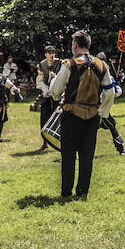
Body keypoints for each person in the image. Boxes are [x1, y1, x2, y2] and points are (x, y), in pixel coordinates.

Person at [49, 30, 108, 199]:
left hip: (71, 114)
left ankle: (66, 193)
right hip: (93, 116)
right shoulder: (102, 65)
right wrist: (103, 113)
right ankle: (82, 192)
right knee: (86, 156)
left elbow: (57, 90)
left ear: (75, 45)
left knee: (68, 156)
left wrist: (55, 92)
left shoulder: (69, 64)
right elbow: (110, 92)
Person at [95, 52, 125, 156]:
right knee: (90, 130)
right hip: (96, 107)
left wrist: (118, 83)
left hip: (101, 108)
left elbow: (114, 92)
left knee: (111, 126)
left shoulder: (105, 73)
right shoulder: (95, 73)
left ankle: (121, 149)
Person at [36, 46, 58, 151]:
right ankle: (45, 142)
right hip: (46, 95)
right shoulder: (42, 65)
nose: (52, 55)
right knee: (44, 119)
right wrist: (46, 91)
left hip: (57, 95)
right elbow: (40, 81)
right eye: (49, 53)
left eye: (53, 52)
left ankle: (60, 141)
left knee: (59, 119)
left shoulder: (60, 63)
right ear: (45, 54)